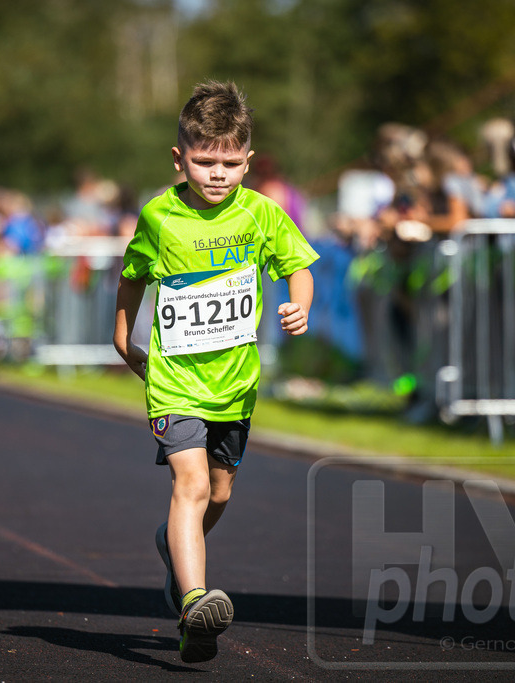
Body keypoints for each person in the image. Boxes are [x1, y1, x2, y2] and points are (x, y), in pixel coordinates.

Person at [113, 81, 317, 663]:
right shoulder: (159, 216)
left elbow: (296, 266)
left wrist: (300, 303)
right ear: (180, 159)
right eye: (205, 161)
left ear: (248, 161)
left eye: (231, 162)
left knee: (220, 491)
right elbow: (132, 279)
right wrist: (121, 337)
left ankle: (173, 549)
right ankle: (195, 601)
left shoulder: (261, 213)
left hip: (235, 382)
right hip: (175, 380)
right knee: (192, 485)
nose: (218, 173)